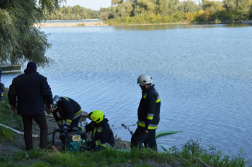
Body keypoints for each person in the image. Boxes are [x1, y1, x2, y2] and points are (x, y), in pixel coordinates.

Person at [8, 61, 53, 150]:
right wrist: (50, 103)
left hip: (24, 109)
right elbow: (47, 93)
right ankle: (43, 146)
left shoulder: (17, 79)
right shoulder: (41, 79)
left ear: (27, 69)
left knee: (27, 129)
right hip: (37, 109)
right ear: (36, 69)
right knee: (43, 127)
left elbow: (11, 94)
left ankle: (29, 147)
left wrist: (13, 104)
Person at [131, 74, 161, 150]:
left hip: (147, 124)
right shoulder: (149, 92)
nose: (140, 87)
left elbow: (151, 112)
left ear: (143, 84)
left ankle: (137, 158)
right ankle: (154, 158)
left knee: (135, 141)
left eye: (140, 85)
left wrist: (146, 126)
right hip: (151, 123)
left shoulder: (151, 94)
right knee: (150, 143)